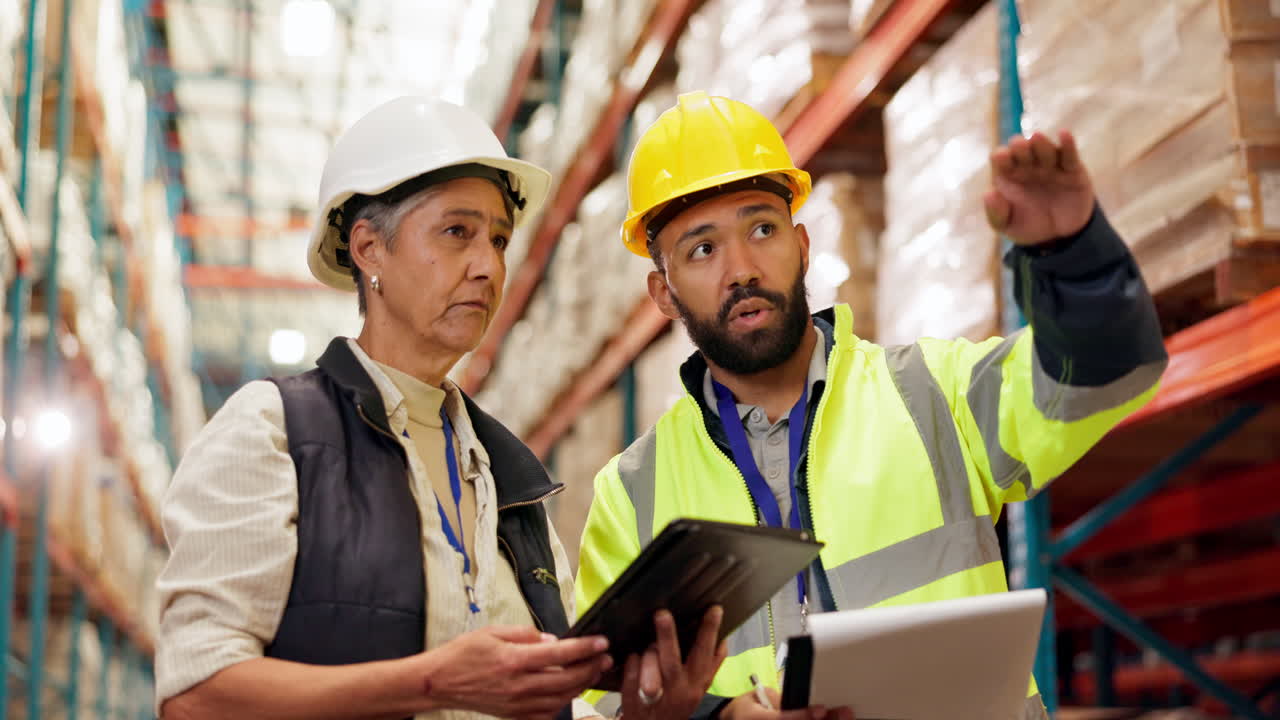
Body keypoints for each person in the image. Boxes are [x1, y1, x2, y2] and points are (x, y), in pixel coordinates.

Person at [574, 91, 1169, 720]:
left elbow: (1103, 376)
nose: (742, 268)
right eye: (702, 249)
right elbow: (602, 703)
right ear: (662, 294)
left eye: (762, 229)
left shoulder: (935, 394)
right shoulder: (631, 493)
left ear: (803, 246)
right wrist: (719, 717)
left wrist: (1070, 255)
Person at [156, 96, 627, 720]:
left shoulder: (510, 484)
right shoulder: (275, 433)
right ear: (369, 249)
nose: (488, 266)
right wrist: (433, 683)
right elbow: (197, 696)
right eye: (457, 232)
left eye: (499, 239)